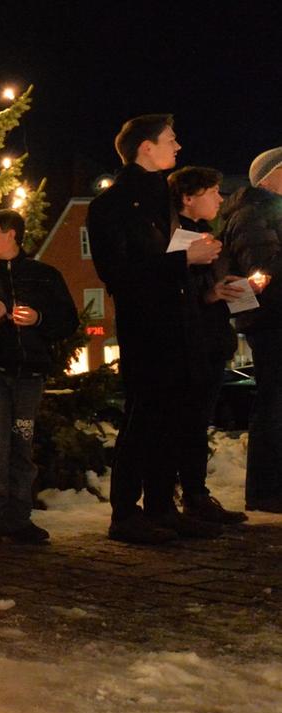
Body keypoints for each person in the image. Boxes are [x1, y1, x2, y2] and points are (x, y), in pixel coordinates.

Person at [87, 115, 224, 545]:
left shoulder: (160, 199)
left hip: (178, 323)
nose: (178, 146)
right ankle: (125, 513)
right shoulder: (114, 203)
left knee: (174, 417)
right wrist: (185, 260)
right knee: (145, 417)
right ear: (146, 148)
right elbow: (118, 270)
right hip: (147, 327)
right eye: (170, 140)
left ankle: (162, 506)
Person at [0, 209, 80, 544]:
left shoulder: (43, 274)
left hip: (29, 373)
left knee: (21, 443)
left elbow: (67, 321)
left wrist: (38, 319)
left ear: (12, 235)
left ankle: (18, 517)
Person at [170, 167, 247, 524]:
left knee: (198, 422)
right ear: (188, 198)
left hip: (214, 342)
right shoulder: (179, 241)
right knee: (187, 421)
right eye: (213, 192)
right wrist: (210, 294)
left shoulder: (205, 235)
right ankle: (188, 495)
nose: (219, 198)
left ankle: (196, 494)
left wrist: (239, 289)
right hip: (192, 345)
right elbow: (176, 295)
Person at [219, 146, 282, 513]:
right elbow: (262, 266)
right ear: (270, 177)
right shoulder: (253, 213)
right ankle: (265, 490)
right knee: (273, 404)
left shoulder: (266, 213)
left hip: (272, 317)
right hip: (271, 320)